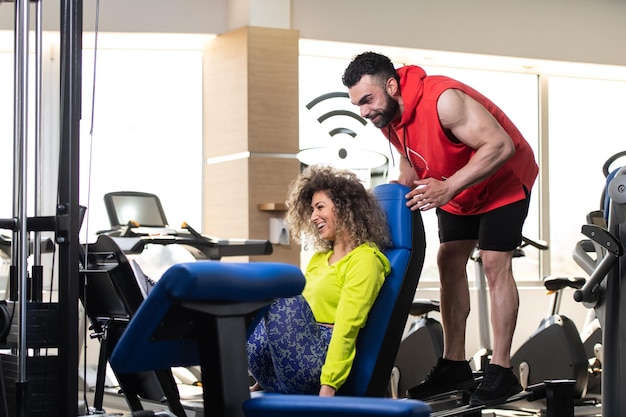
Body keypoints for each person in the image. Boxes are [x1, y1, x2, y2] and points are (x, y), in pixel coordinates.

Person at [342, 52, 538, 407]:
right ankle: (454, 363)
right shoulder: (389, 115)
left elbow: (500, 146)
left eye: (367, 100)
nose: (364, 112)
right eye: (358, 105)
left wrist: (447, 188)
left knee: (494, 263)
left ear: (391, 85)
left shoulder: (443, 100)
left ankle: (502, 370)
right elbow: (406, 153)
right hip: (457, 187)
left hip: (501, 179)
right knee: (448, 260)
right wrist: (400, 186)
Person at [246, 164, 391, 396]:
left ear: (345, 208)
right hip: (286, 368)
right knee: (250, 296)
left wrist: (328, 389)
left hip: (319, 362)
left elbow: (347, 327)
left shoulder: (365, 260)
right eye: (312, 209)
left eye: (320, 207)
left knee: (282, 291)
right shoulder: (319, 258)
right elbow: (288, 324)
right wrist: (263, 379)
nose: (313, 217)